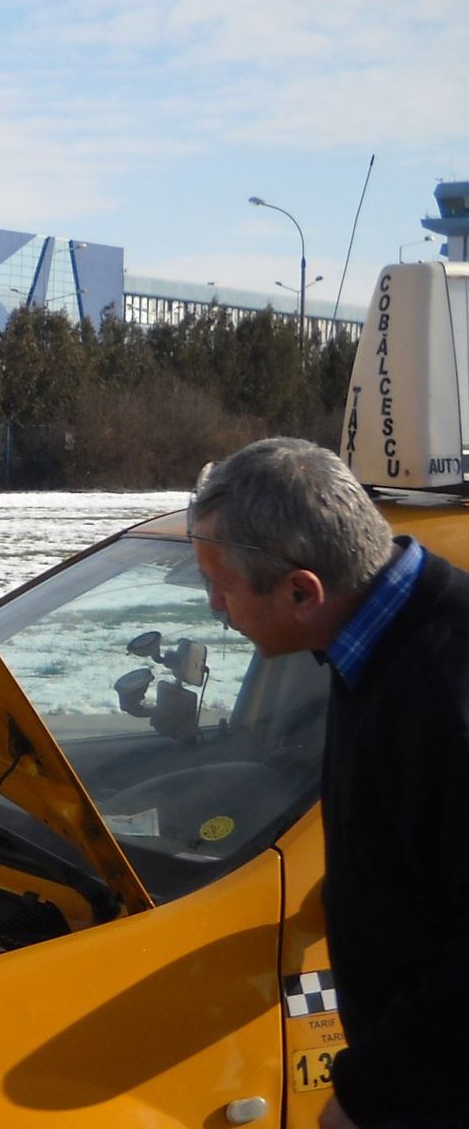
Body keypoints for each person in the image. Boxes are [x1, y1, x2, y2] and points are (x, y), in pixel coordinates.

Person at [188, 438, 469, 1129]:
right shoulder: (371, 636)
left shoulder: (446, 688)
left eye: (220, 586)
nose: (215, 607)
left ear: (301, 591)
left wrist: (371, 1097)